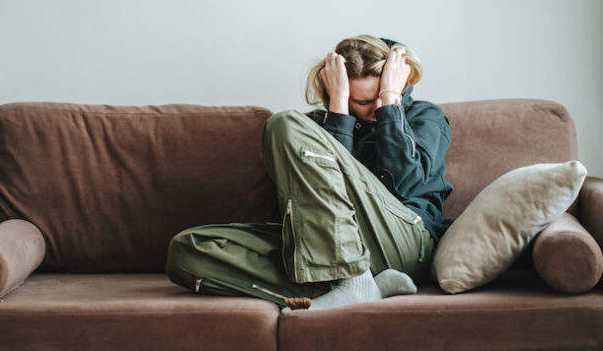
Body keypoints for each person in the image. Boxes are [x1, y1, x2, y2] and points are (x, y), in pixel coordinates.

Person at [165, 35, 453, 310]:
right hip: (330, 246)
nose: (377, 110)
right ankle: (362, 285)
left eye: (382, 96)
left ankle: (352, 281)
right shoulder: (313, 131)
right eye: (364, 102)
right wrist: (338, 111)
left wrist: (392, 102)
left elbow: (405, 184)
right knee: (188, 251)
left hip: (403, 240)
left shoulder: (425, 116)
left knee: (284, 123)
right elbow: (311, 209)